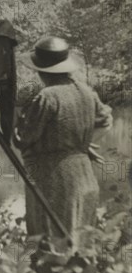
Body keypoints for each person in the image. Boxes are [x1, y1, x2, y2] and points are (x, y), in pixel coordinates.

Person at [14, 37, 113, 249]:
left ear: (41, 71)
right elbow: (105, 121)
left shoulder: (47, 96)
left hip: (54, 180)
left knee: (51, 246)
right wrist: (83, 145)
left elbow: (24, 140)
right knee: (82, 246)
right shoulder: (86, 91)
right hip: (84, 177)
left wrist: (15, 116)